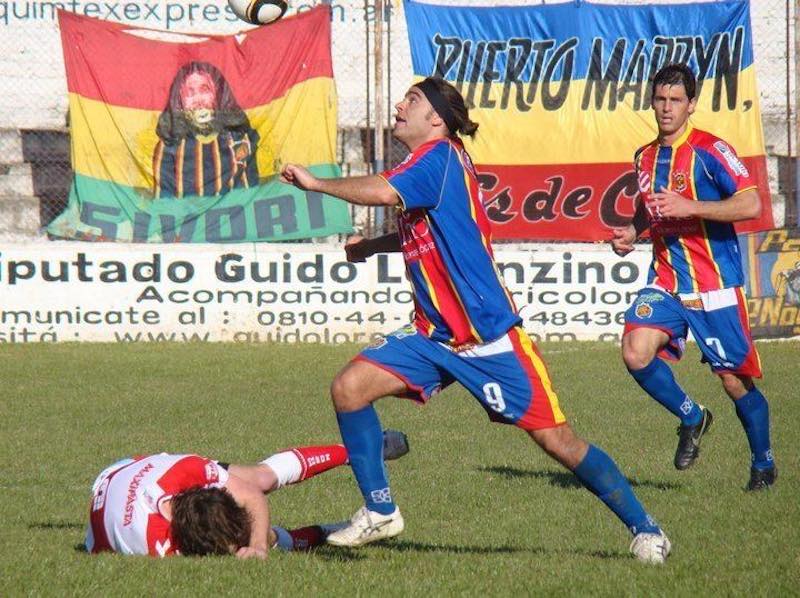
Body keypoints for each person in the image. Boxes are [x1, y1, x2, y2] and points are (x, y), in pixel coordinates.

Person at [281, 76, 671, 564]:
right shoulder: (430, 164)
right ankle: (380, 510)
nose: (400, 105)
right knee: (349, 388)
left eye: (413, 101)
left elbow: (381, 193)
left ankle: (645, 528)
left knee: (560, 443)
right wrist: (374, 246)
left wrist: (317, 184)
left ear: (437, 120)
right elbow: (431, 229)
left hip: (489, 339)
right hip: (434, 335)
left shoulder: (437, 158)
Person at [610, 63, 776, 490]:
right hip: (666, 279)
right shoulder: (644, 156)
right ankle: (692, 416)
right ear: (652, 101)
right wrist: (633, 230)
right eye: (660, 99)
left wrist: (693, 207)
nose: (667, 109)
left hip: (713, 285)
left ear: (692, 105)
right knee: (635, 351)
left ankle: (763, 463)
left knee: (733, 382)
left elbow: (751, 203)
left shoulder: (711, 150)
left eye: (676, 101)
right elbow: (652, 207)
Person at [84, 430, 409, 558]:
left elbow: (252, 493)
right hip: (109, 482)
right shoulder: (153, 547)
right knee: (263, 534)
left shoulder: (186, 470)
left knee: (260, 478)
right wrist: (258, 540)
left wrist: (255, 547)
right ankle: (327, 532)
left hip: (140, 469)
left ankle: (360, 450)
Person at [152, 61, 264, 199]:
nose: (198, 100)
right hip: (188, 219)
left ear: (218, 95)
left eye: (204, 90)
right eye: (190, 93)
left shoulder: (240, 140)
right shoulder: (168, 146)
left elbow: (250, 195)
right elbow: (163, 202)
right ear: (180, 101)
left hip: (232, 217)